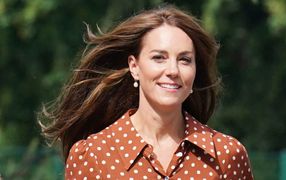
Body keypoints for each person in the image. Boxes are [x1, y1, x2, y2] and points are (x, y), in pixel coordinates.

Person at [39, 5, 254, 180]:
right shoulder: (93, 155)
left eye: (184, 60)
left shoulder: (226, 155)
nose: (172, 71)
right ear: (134, 66)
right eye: (159, 57)